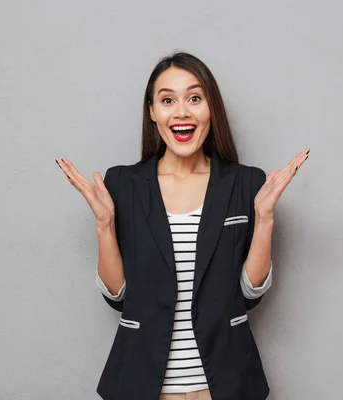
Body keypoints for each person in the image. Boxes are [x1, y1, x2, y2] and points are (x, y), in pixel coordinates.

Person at [55, 52, 309, 400]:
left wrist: (264, 217)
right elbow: (118, 297)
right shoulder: (122, 184)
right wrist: (104, 225)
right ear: (152, 112)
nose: (182, 112)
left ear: (210, 108)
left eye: (194, 98)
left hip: (225, 385)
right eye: (167, 100)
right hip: (144, 386)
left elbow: (250, 295)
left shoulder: (246, 183)